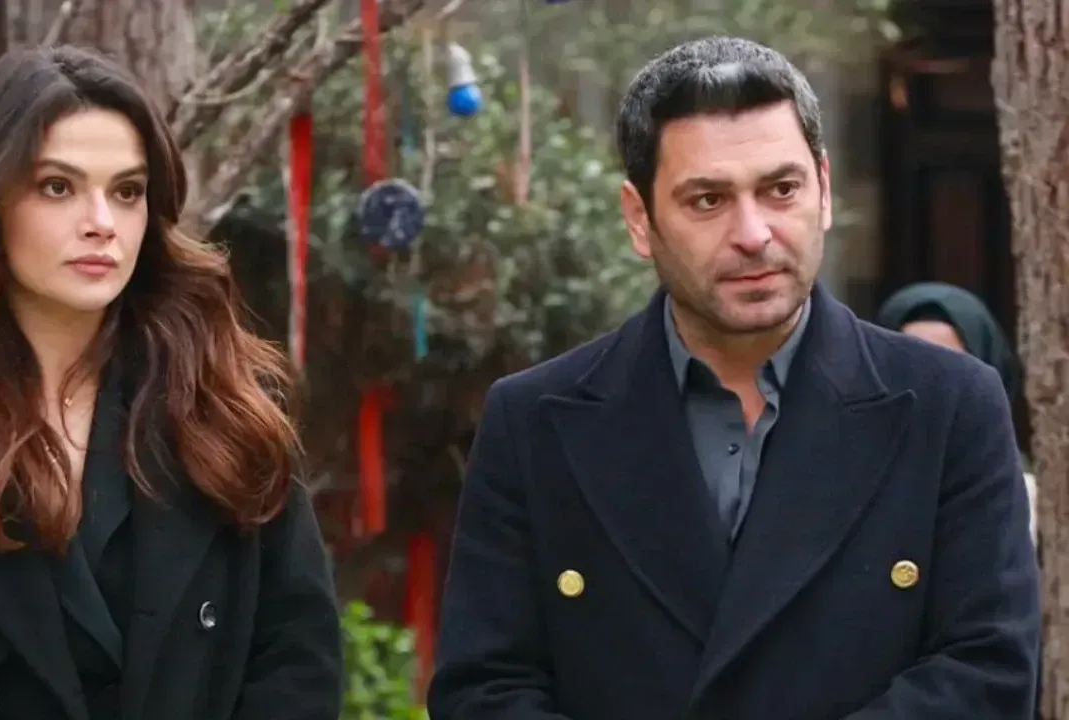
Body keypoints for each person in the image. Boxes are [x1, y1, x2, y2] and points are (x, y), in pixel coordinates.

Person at [427, 36, 1040, 719]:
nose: (754, 233)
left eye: (781, 189)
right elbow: (484, 689)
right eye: (708, 200)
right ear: (640, 219)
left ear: (824, 190)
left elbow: (987, 672)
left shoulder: (951, 407)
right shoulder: (533, 421)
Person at [0, 46, 341, 720]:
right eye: (58, 187)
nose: (102, 224)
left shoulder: (227, 406)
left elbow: (298, 663)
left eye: (127, 191)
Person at [876, 281, 1037, 542]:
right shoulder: (847, 480)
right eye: (910, 362)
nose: (927, 382)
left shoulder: (1022, 494)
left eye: (948, 366)